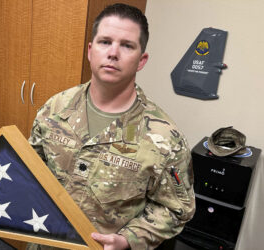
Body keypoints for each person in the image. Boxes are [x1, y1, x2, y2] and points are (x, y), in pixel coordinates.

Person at [28, 3, 195, 250]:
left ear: (141, 60)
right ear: (90, 50)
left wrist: (130, 239)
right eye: (105, 42)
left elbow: (176, 209)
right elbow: (30, 166)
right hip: (44, 242)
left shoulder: (164, 137)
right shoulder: (56, 107)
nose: (113, 53)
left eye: (127, 45)